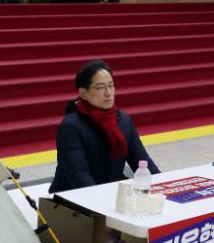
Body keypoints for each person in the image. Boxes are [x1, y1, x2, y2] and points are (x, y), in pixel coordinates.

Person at [49, 59, 159, 193]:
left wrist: (162, 186)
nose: (108, 93)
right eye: (100, 87)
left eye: (111, 85)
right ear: (83, 93)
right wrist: (103, 202)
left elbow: (142, 162)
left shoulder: (123, 120)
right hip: (73, 197)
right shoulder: (71, 127)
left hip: (112, 191)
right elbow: (78, 175)